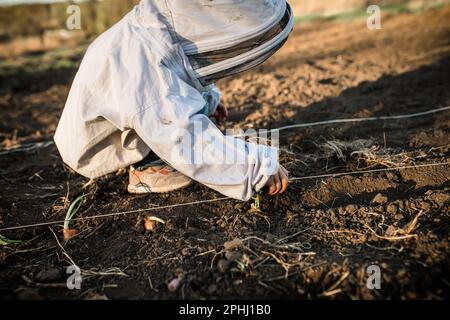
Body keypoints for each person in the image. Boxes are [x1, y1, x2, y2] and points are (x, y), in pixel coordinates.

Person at [54, 0, 294, 201]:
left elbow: (180, 67)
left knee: (171, 117)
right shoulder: (143, 67)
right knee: (172, 135)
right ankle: (150, 165)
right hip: (100, 142)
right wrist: (257, 168)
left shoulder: (157, 32)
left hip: (134, 106)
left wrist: (209, 99)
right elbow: (182, 135)